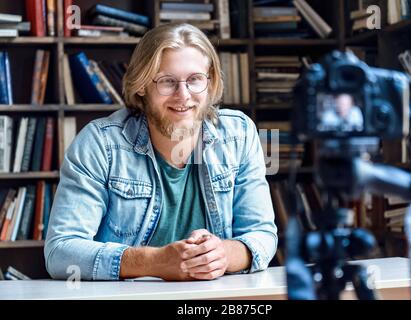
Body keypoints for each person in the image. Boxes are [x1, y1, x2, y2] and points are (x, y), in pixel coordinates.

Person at [44, 23, 278, 281]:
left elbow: (262, 236)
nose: (183, 95)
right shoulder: (100, 144)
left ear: (209, 82)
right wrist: (155, 262)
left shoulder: (239, 133)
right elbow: (61, 252)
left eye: (195, 80)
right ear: (142, 85)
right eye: (167, 81)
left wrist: (222, 254)